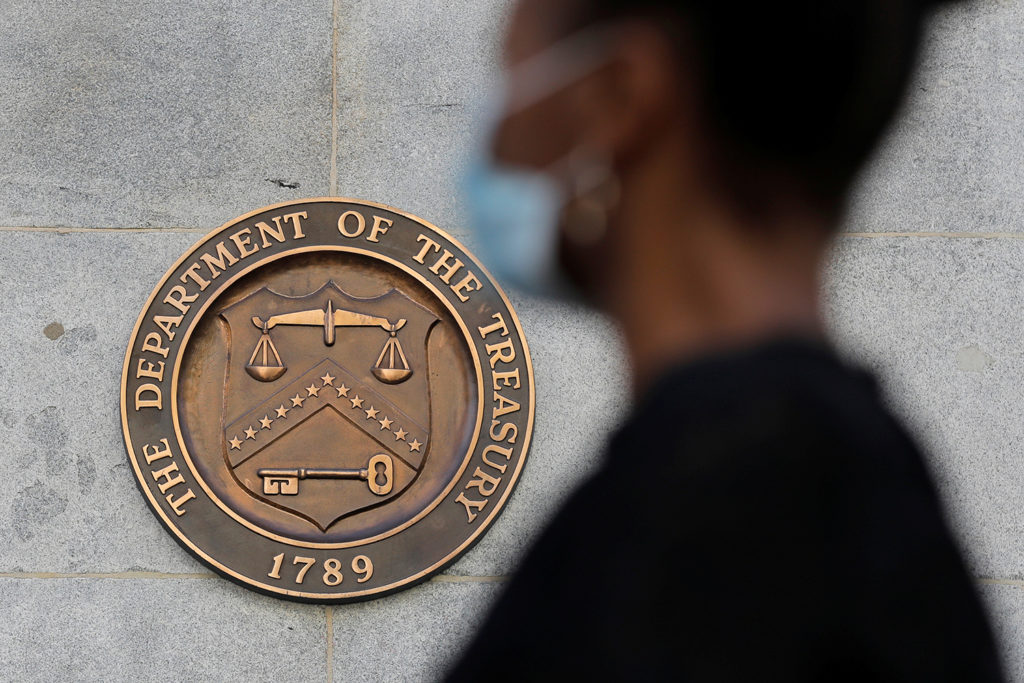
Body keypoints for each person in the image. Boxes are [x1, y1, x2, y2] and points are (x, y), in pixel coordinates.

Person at [449, 0, 1004, 680]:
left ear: (619, 98)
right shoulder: (835, 475)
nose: (495, 129)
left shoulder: (724, 511)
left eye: (512, 73)